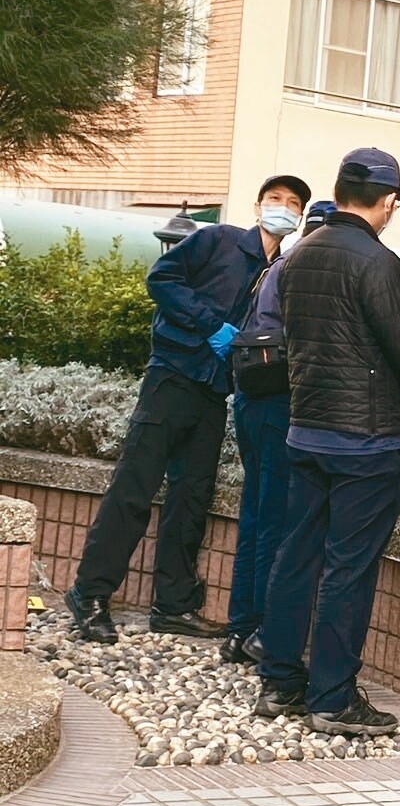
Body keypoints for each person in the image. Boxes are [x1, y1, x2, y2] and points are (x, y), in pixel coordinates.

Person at [253, 148, 400, 735]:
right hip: (364, 445)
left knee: (296, 557)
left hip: (307, 432)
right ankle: (332, 698)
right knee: (348, 570)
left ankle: (279, 683)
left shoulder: (297, 257)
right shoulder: (379, 262)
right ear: (388, 200)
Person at [64, 174, 311, 645]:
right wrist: (208, 326)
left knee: (191, 498)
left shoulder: (283, 269)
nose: (283, 206)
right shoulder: (216, 240)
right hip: (172, 378)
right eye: (275, 198)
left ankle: (173, 605)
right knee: (134, 490)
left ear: (299, 217)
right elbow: (161, 278)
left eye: (293, 202)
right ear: (258, 206)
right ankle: (89, 594)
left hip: (216, 391)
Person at [220, 199, 334, 665]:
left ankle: (239, 626)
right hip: (277, 403)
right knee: (273, 521)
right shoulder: (308, 273)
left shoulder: (279, 265)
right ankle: (260, 632)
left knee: (255, 514)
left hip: (251, 398)